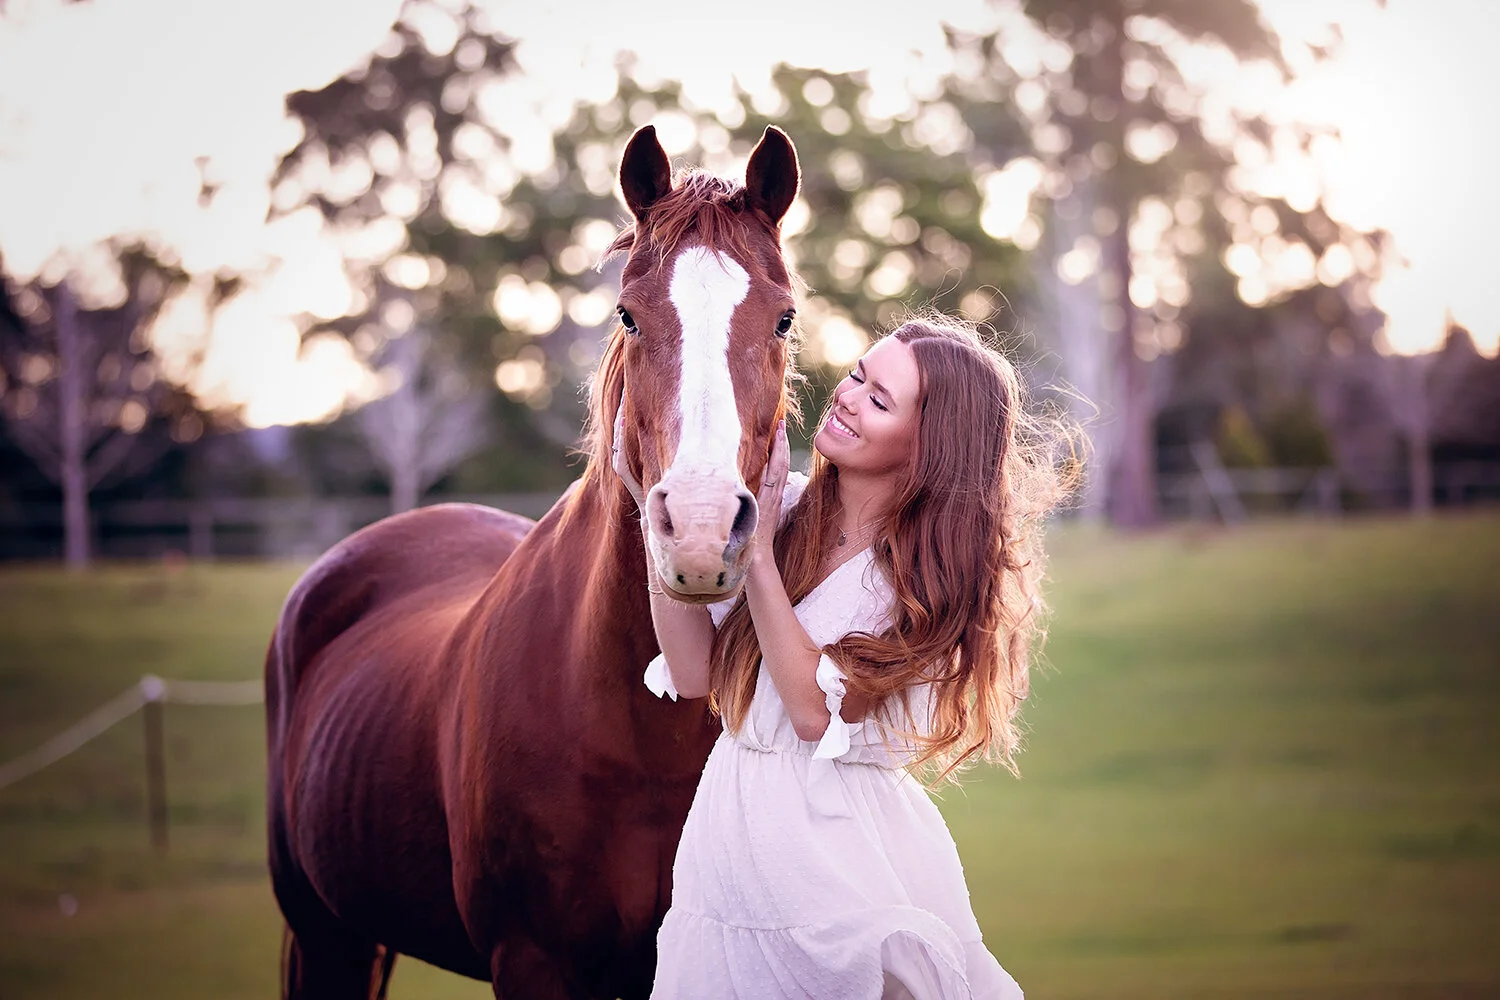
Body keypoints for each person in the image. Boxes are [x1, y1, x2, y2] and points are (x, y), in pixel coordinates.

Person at [616, 315, 1065, 1000]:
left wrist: (758, 554)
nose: (848, 396)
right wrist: (662, 527)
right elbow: (692, 672)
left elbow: (812, 714)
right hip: (729, 834)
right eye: (858, 375)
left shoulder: (920, 582)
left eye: (880, 399)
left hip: (829, 846)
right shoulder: (788, 510)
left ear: (928, 445)